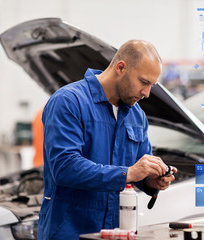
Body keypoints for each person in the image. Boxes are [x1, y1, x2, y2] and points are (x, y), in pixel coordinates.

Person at [38, 40, 177, 240]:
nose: (147, 93)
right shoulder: (69, 101)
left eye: (151, 86)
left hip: (117, 232)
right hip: (70, 231)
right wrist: (128, 173)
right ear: (121, 67)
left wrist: (151, 180)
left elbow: (138, 168)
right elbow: (64, 167)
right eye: (144, 82)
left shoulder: (136, 115)